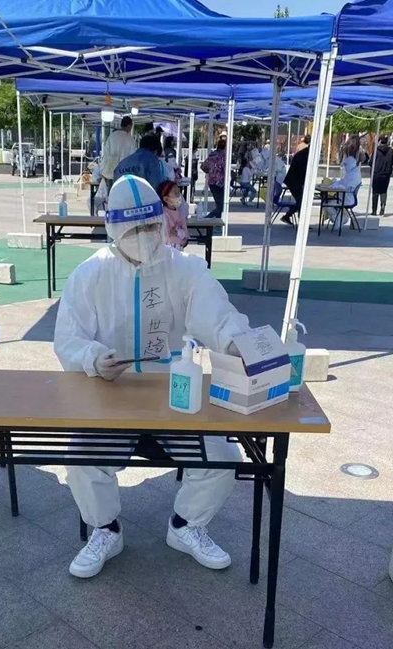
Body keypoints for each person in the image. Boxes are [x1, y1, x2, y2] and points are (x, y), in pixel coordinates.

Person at [54, 174, 251, 579]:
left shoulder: (185, 270)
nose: (145, 238)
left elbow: (218, 315)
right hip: (111, 395)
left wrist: (242, 345)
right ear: (114, 230)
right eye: (134, 230)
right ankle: (105, 530)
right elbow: (68, 339)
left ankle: (186, 525)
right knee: (81, 461)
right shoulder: (90, 275)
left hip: (174, 390)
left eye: (150, 226)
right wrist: (94, 358)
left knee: (223, 458)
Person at [100, 116, 137, 190]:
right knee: (122, 193)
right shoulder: (130, 139)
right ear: (129, 126)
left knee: (111, 192)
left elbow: (106, 154)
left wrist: (102, 169)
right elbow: (133, 158)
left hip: (110, 171)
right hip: (124, 173)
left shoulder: (112, 136)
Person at [281, 135, 311, 225]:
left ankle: (288, 216)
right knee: (302, 201)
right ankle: (302, 223)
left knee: (301, 201)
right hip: (294, 181)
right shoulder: (305, 155)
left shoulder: (304, 153)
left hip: (294, 180)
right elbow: (303, 171)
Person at [369, 136, 393, 216]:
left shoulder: (376, 151)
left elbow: (371, 162)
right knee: (384, 191)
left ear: (379, 141)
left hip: (376, 174)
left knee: (375, 192)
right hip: (386, 174)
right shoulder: (391, 151)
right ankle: (383, 205)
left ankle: (374, 210)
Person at [157, 180, 189, 250]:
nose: (178, 195)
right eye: (175, 193)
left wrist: (179, 234)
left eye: (179, 192)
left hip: (179, 248)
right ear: (166, 199)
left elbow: (185, 231)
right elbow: (166, 236)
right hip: (169, 250)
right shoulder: (164, 215)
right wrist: (181, 240)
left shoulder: (180, 212)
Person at [200, 138, 227, 219]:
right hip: (220, 182)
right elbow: (225, 168)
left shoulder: (212, 155)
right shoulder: (223, 156)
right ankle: (208, 218)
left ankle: (216, 220)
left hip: (211, 181)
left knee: (219, 204)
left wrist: (210, 171)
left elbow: (203, 166)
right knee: (220, 205)